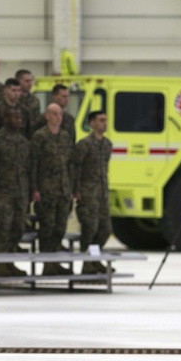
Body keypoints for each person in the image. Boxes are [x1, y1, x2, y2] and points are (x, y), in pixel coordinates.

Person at [0, 107, 31, 275]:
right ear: (6, 119)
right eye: (15, 117)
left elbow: (27, 168)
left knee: (18, 229)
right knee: (3, 229)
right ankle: (1, 265)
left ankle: (9, 262)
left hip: (20, 192)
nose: (19, 121)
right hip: (2, 194)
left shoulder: (23, 142)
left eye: (20, 118)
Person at [30, 103, 74, 275]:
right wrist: (34, 188)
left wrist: (69, 186)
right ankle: (47, 263)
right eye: (55, 114)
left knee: (60, 227)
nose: (58, 117)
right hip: (46, 189)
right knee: (47, 227)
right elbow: (33, 164)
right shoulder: (39, 137)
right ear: (47, 116)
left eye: (60, 114)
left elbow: (68, 164)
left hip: (62, 189)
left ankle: (54, 261)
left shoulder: (64, 137)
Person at [73, 110, 112, 274]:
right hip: (88, 193)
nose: (104, 123)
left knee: (105, 229)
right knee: (90, 228)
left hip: (102, 193)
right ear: (92, 123)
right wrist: (76, 189)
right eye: (101, 120)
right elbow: (75, 167)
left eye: (105, 120)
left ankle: (95, 259)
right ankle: (86, 263)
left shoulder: (107, 144)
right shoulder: (84, 144)